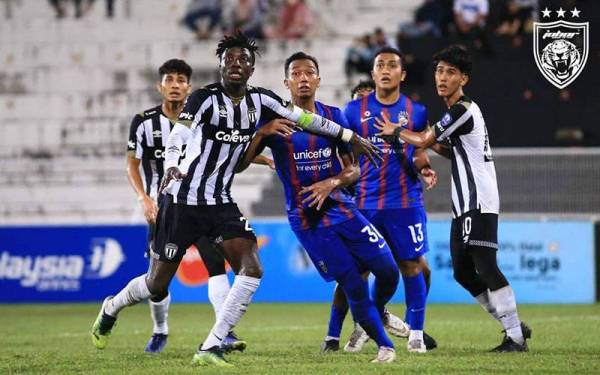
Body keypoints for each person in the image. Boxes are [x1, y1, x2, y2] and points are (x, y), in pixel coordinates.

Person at [91, 31, 382, 368]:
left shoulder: (261, 101)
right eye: (229, 59)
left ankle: (211, 345)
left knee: (252, 268)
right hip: (182, 200)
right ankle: (111, 307)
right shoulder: (202, 98)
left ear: (252, 68)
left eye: (243, 60)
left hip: (219, 201)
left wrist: (349, 135)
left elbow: (306, 119)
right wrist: (171, 164)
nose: (236, 64)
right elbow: (180, 133)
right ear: (220, 65)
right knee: (156, 285)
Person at [237, 51, 401, 363]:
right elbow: (239, 166)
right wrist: (261, 133)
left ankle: (373, 315)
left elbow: (353, 169)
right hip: (307, 218)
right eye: (296, 74)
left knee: (389, 271)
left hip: (342, 206)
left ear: (318, 79)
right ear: (286, 83)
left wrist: (332, 183)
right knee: (352, 284)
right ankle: (384, 345)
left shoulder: (335, 116)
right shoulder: (273, 123)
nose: (303, 78)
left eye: (309, 72)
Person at [374, 44, 531, 352]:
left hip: (479, 200)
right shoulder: (455, 114)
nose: (442, 78)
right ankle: (511, 326)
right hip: (463, 205)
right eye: (439, 71)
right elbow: (445, 148)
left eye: (450, 72)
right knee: (461, 271)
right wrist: (424, 138)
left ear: (464, 79)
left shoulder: (462, 109)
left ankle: (515, 337)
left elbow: (422, 139)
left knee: (486, 266)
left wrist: (397, 130)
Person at [124, 58, 258, 353]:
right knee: (157, 281)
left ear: (189, 87)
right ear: (160, 86)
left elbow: (230, 148)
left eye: (181, 80)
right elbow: (132, 164)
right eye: (169, 80)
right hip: (164, 206)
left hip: (201, 202)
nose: (175, 85)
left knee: (214, 264)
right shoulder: (144, 122)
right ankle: (159, 330)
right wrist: (144, 198)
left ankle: (225, 332)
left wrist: (264, 153)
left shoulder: (204, 114)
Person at [337, 47, 438, 354]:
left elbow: (420, 149)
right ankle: (366, 325)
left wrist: (425, 168)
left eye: (392, 65)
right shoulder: (353, 110)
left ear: (401, 74)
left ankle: (416, 334)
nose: (385, 69)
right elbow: (344, 151)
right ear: (373, 73)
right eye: (380, 64)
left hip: (405, 201)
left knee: (411, 265)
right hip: (365, 203)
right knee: (361, 270)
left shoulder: (416, 111)